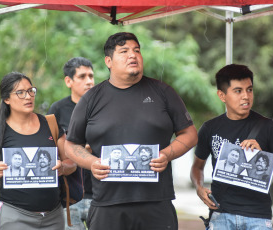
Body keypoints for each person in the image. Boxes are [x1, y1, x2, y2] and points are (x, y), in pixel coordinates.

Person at [65, 32, 198, 230]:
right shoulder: (91, 99)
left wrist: (167, 154)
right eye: (124, 51)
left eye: (137, 50)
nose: (133, 55)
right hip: (107, 205)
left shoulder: (164, 92)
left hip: (156, 203)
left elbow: (190, 134)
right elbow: (71, 144)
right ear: (108, 61)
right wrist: (91, 162)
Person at [190, 64, 273, 229]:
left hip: (257, 217)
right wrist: (199, 188)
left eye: (250, 90)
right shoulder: (210, 128)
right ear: (222, 95)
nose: (246, 96)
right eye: (238, 91)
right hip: (220, 215)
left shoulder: (269, 127)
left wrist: (263, 155)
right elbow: (197, 167)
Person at [0, 72, 76, 230]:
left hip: (53, 217)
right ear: (7, 99)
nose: (28, 96)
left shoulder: (51, 124)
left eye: (31, 91)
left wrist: (62, 168)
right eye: (20, 93)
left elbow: (72, 163)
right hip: (15, 217)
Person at [47, 57, 94, 229]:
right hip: (70, 197)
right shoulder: (57, 110)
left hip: (102, 194)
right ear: (68, 81)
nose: (89, 81)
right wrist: (79, 149)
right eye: (82, 77)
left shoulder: (104, 107)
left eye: (91, 76)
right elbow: (50, 151)